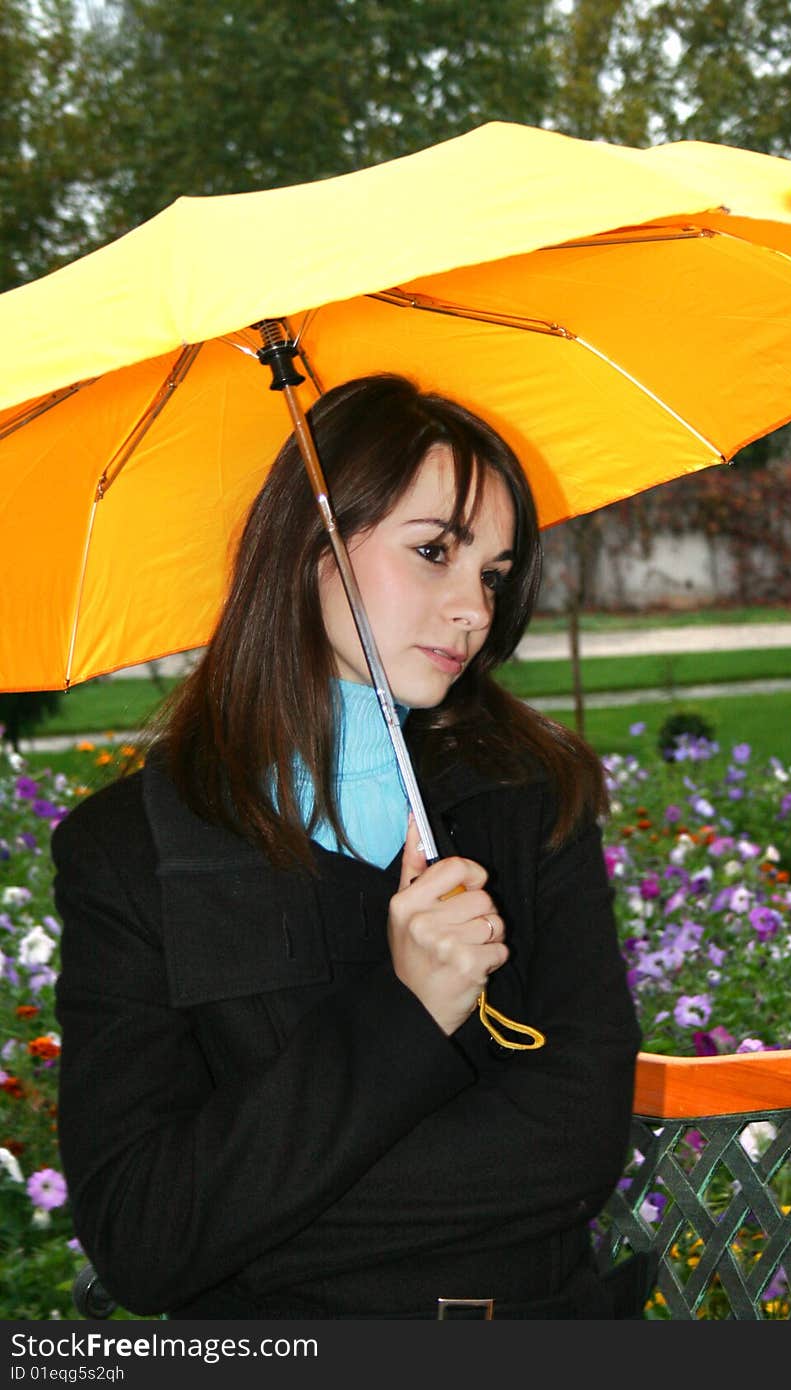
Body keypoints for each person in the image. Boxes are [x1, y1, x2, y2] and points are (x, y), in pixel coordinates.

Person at [51, 372, 648, 1320]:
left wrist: (257, 1213)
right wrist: (404, 1013)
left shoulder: (528, 797)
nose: (475, 611)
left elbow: (577, 1149)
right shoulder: (129, 854)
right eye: (434, 552)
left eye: (491, 572)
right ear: (308, 547)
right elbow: (147, 1234)